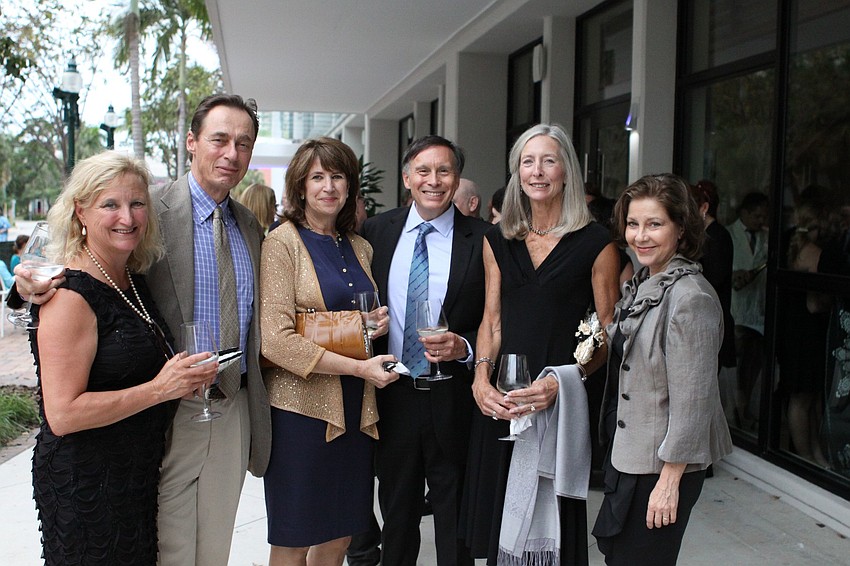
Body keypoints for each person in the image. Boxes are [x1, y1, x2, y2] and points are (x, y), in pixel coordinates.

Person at [10, 95, 273, 566]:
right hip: (163, 416)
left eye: (243, 143)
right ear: (192, 142)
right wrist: (23, 283)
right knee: (166, 550)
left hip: (231, 408)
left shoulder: (250, 226)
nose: (231, 153)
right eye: (219, 139)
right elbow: (69, 262)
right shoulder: (148, 210)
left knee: (214, 550)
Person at [30, 151, 217, 565]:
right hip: (87, 486)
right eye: (110, 205)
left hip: (134, 477)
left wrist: (181, 379)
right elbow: (62, 414)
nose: (127, 218)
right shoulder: (69, 295)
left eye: (136, 203)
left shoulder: (130, 278)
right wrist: (159, 390)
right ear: (80, 211)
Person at [463, 123, 620, 565]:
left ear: (566, 171)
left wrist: (561, 382)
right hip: (504, 402)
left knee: (554, 538)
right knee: (498, 526)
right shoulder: (498, 239)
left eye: (548, 161)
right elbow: (491, 320)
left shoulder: (597, 243)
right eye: (527, 162)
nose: (537, 171)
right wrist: (480, 380)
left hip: (557, 405)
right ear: (517, 173)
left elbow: (608, 332)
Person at [259, 137, 399, 565]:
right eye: (317, 177)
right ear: (300, 187)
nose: (328, 186)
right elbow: (275, 339)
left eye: (337, 176)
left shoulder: (360, 246)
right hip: (300, 412)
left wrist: (371, 325)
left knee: (340, 536)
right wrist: (358, 360)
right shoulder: (281, 243)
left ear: (350, 186)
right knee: (294, 539)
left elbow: (352, 323)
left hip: (356, 409)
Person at [592, 173, 733, 565]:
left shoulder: (690, 298)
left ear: (681, 228)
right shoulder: (646, 280)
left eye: (654, 224)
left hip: (663, 467)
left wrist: (670, 481)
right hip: (630, 455)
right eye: (633, 224)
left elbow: (694, 401)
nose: (640, 236)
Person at [361, 134, 488, 565]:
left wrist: (464, 346)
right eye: (423, 171)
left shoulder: (484, 239)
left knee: (455, 519)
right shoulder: (376, 232)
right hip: (394, 393)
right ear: (407, 178)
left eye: (444, 171)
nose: (434, 180)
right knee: (397, 514)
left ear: (457, 178)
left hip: (454, 396)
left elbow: (497, 318)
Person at [690, 180, 737, 425]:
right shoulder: (702, 236)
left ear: (704, 208)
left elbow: (713, 280)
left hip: (711, 318)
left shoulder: (718, 237)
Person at [727, 192, 769, 430]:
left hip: (759, 311)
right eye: (756, 216)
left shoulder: (766, 237)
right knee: (738, 364)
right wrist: (736, 275)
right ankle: (738, 410)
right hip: (738, 310)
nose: (760, 220)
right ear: (744, 212)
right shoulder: (730, 235)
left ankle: (745, 407)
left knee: (754, 363)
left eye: (764, 216)